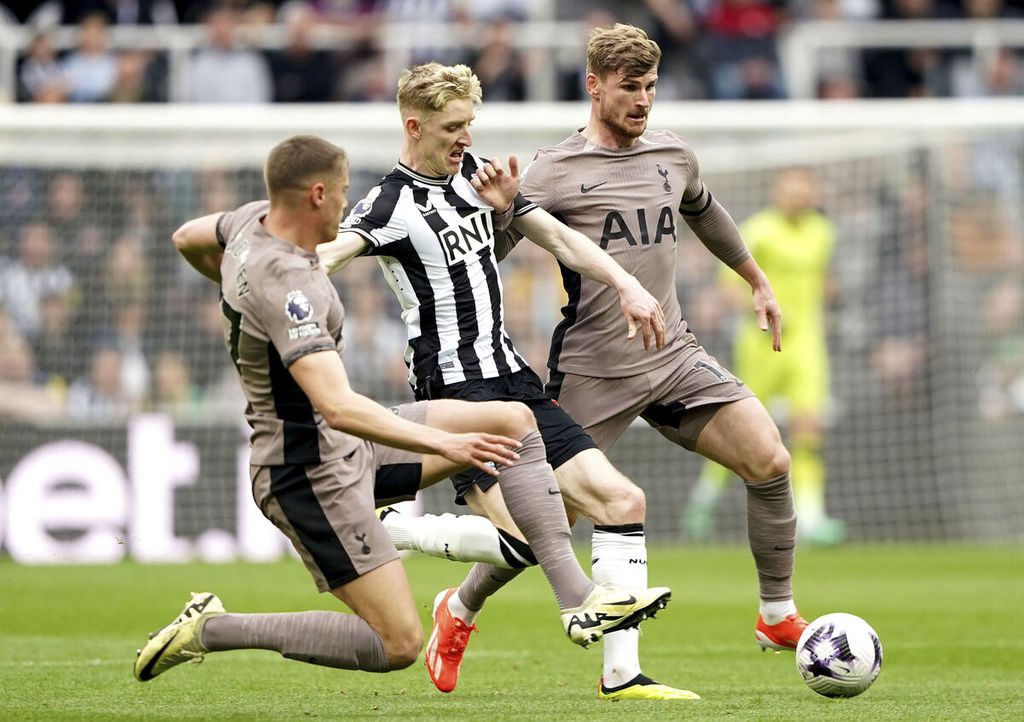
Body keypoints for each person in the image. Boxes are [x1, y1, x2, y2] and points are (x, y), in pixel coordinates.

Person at [366, 25, 810, 694]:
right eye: (630, 87)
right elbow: (481, 255)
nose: (643, 101)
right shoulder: (551, 170)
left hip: (673, 355)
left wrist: (756, 277)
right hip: (590, 373)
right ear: (594, 85)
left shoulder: (673, 153)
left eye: (652, 87)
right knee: (545, 528)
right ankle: (459, 608)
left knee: (770, 458)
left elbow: (704, 210)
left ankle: (775, 614)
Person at [132, 134, 670, 685]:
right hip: (306, 472)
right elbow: (338, 406)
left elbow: (187, 237)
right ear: (316, 195)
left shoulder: (249, 222)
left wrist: (231, 290)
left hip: (343, 444)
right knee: (398, 644)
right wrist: (447, 445)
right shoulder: (289, 288)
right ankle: (215, 629)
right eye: (342, 195)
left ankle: (577, 600)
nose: (349, 206)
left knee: (514, 420)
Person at [316, 62, 694, 701]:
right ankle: (398, 531)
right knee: (527, 537)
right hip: (456, 391)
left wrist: (626, 283)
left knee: (621, 502)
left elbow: (559, 238)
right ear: (415, 125)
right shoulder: (388, 203)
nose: (465, 137)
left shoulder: (478, 176)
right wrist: (270, 275)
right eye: (453, 126)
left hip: (514, 378)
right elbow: (330, 255)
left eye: (470, 124)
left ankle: (622, 674)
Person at [686, 168, 845, 546]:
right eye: (792, 189)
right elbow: (728, 289)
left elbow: (823, 281)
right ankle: (703, 500)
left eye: (805, 189)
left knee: (808, 427)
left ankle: (811, 514)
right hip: (760, 345)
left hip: (807, 343)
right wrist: (761, 309)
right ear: (778, 193)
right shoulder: (758, 230)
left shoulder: (823, 233)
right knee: (741, 429)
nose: (798, 196)